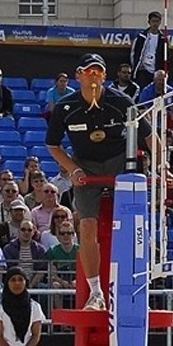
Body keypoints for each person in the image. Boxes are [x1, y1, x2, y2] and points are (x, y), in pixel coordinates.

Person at [45, 53, 140, 312]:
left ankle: (137, 287)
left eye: (98, 71)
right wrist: (73, 169)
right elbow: (52, 145)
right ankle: (96, 293)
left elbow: (147, 135)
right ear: (79, 75)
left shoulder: (122, 102)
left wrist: (162, 164)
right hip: (85, 165)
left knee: (134, 224)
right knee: (86, 226)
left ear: (105, 76)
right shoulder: (65, 107)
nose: (94, 75)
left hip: (121, 162)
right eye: (89, 71)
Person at [129, 10, 165, 86]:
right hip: (143, 70)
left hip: (156, 71)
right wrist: (135, 67)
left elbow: (166, 56)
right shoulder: (141, 37)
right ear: (149, 22)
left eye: (157, 21)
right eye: (153, 21)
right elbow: (133, 53)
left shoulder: (163, 39)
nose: (155, 24)